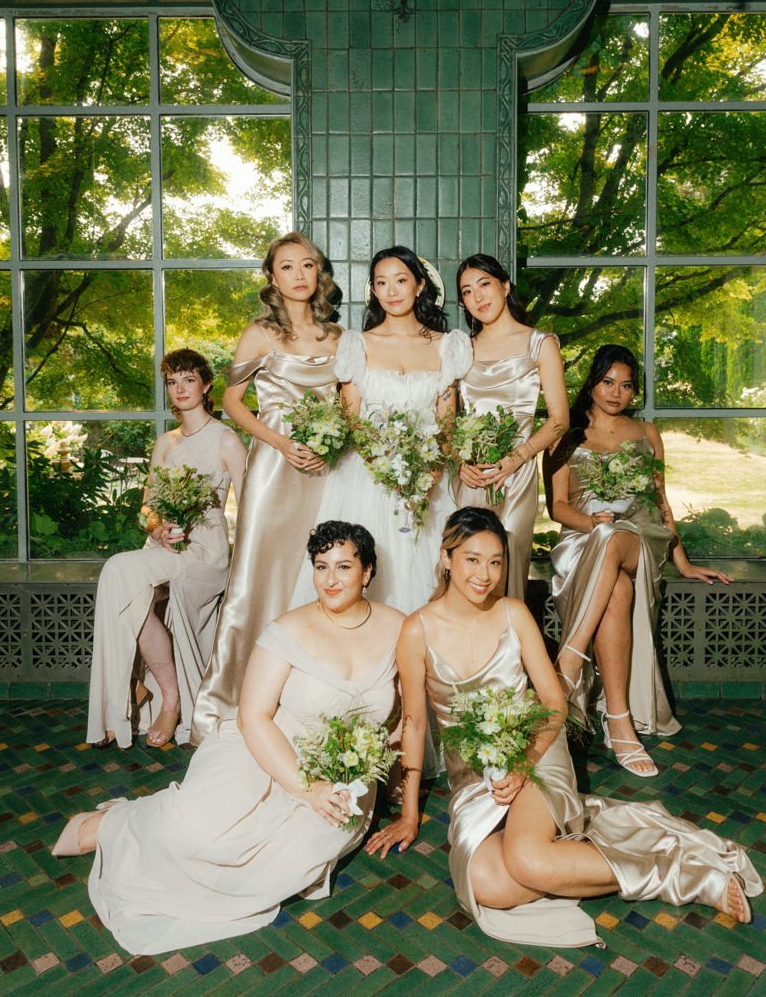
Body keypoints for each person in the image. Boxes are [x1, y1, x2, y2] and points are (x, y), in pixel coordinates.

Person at [367, 507, 761, 949]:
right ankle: (582, 851)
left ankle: (687, 877)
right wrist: (409, 815)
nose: (485, 574)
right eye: (472, 559)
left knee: (528, 860)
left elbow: (554, 702)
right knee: (487, 885)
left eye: (496, 561)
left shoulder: (514, 614)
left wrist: (524, 764)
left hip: (537, 748)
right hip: (473, 776)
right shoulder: (416, 629)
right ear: (446, 558)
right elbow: (415, 721)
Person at [54, 522, 403, 956]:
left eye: (344, 567)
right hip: (265, 746)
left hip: (344, 776)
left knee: (287, 865)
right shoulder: (289, 629)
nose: (330, 580)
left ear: (367, 572)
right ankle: (116, 825)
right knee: (197, 833)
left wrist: (384, 770)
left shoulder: (399, 628)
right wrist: (304, 787)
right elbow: (255, 718)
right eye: (320, 566)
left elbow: (406, 715)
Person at [547, 345, 733, 776]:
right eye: (608, 382)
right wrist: (590, 520)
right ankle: (619, 722)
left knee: (615, 538)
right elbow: (557, 507)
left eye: (626, 385)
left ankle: (568, 661)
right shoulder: (566, 434)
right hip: (583, 540)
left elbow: (661, 503)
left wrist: (683, 563)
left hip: (641, 540)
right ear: (592, 383)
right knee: (618, 590)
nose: (616, 392)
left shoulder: (648, 433)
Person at [191, 232, 342, 743]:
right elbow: (233, 403)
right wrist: (279, 442)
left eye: (308, 266)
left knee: (314, 573)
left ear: (319, 275)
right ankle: (227, 703)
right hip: (275, 470)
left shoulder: (338, 337)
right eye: (287, 267)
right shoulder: (258, 333)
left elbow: (349, 406)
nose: (299, 275)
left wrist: (332, 440)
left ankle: (303, 701)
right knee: (257, 579)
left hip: (325, 468)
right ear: (272, 278)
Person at [291, 245, 472, 614]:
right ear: (373, 290)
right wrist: (385, 466)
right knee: (359, 576)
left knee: (423, 578)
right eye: (381, 283)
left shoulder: (447, 345)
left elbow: (447, 424)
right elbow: (351, 417)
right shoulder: (357, 344)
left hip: (425, 477)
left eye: (401, 280)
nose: (391, 291)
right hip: (366, 475)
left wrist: (428, 477)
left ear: (420, 285)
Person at [86, 349, 246, 750]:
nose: (180, 389)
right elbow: (147, 509)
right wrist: (156, 530)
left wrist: (246, 568)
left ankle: (158, 695)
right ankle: (161, 696)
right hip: (165, 549)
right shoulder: (165, 443)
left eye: (188, 380)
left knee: (127, 577)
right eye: (172, 382)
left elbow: (251, 511)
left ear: (206, 385)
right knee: (118, 573)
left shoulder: (227, 440)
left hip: (206, 554)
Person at [455, 254, 569, 597]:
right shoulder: (463, 349)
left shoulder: (540, 343)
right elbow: (447, 420)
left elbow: (560, 420)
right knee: (466, 572)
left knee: (507, 572)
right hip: (472, 478)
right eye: (467, 291)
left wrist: (514, 460)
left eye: (484, 284)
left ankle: (509, 650)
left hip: (516, 478)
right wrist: (459, 463)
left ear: (505, 286)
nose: (478, 297)